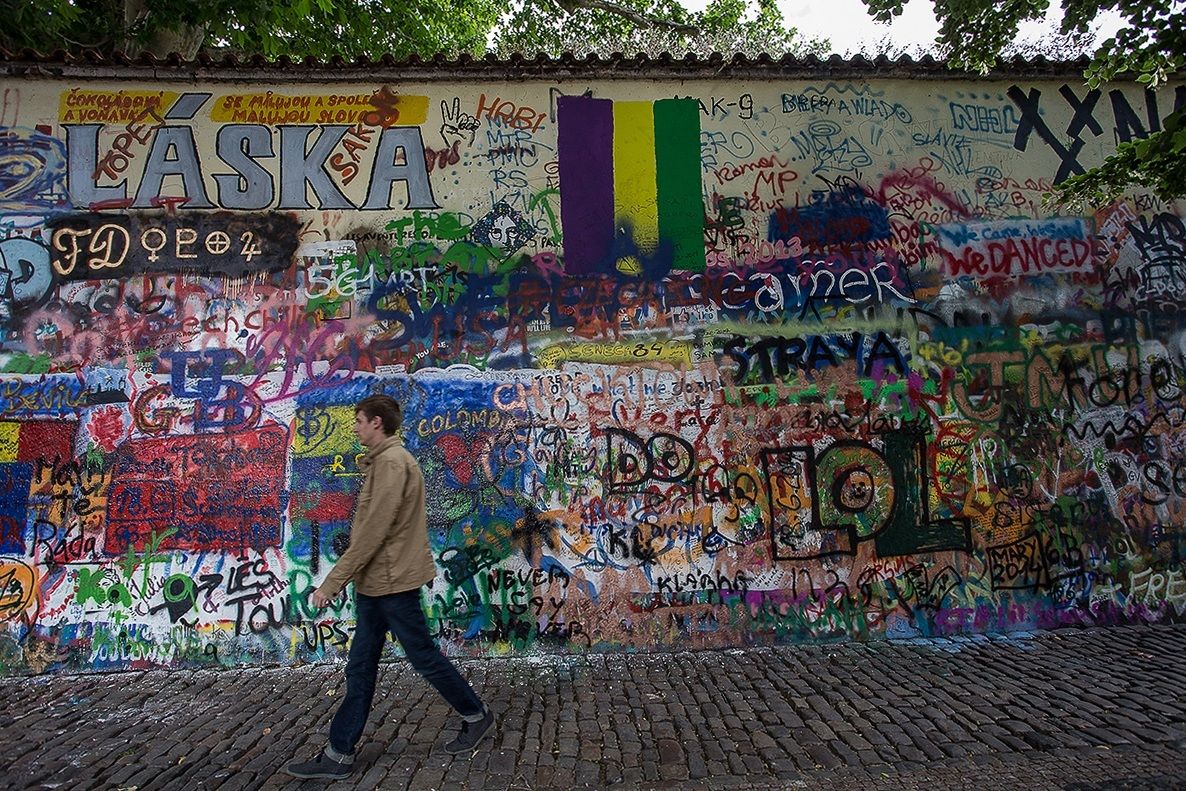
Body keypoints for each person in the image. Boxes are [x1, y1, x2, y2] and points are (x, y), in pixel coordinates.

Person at [285, 394, 495, 780]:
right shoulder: (383, 462)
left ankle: (476, 714)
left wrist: (331, 583)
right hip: (376, 585)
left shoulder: (393, 465)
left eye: (360, 420)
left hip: (393, 583)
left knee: (422, 657)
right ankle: (339, 754)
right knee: (361, 667)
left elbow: (371, 534)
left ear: (377, 422)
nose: (355, 426)